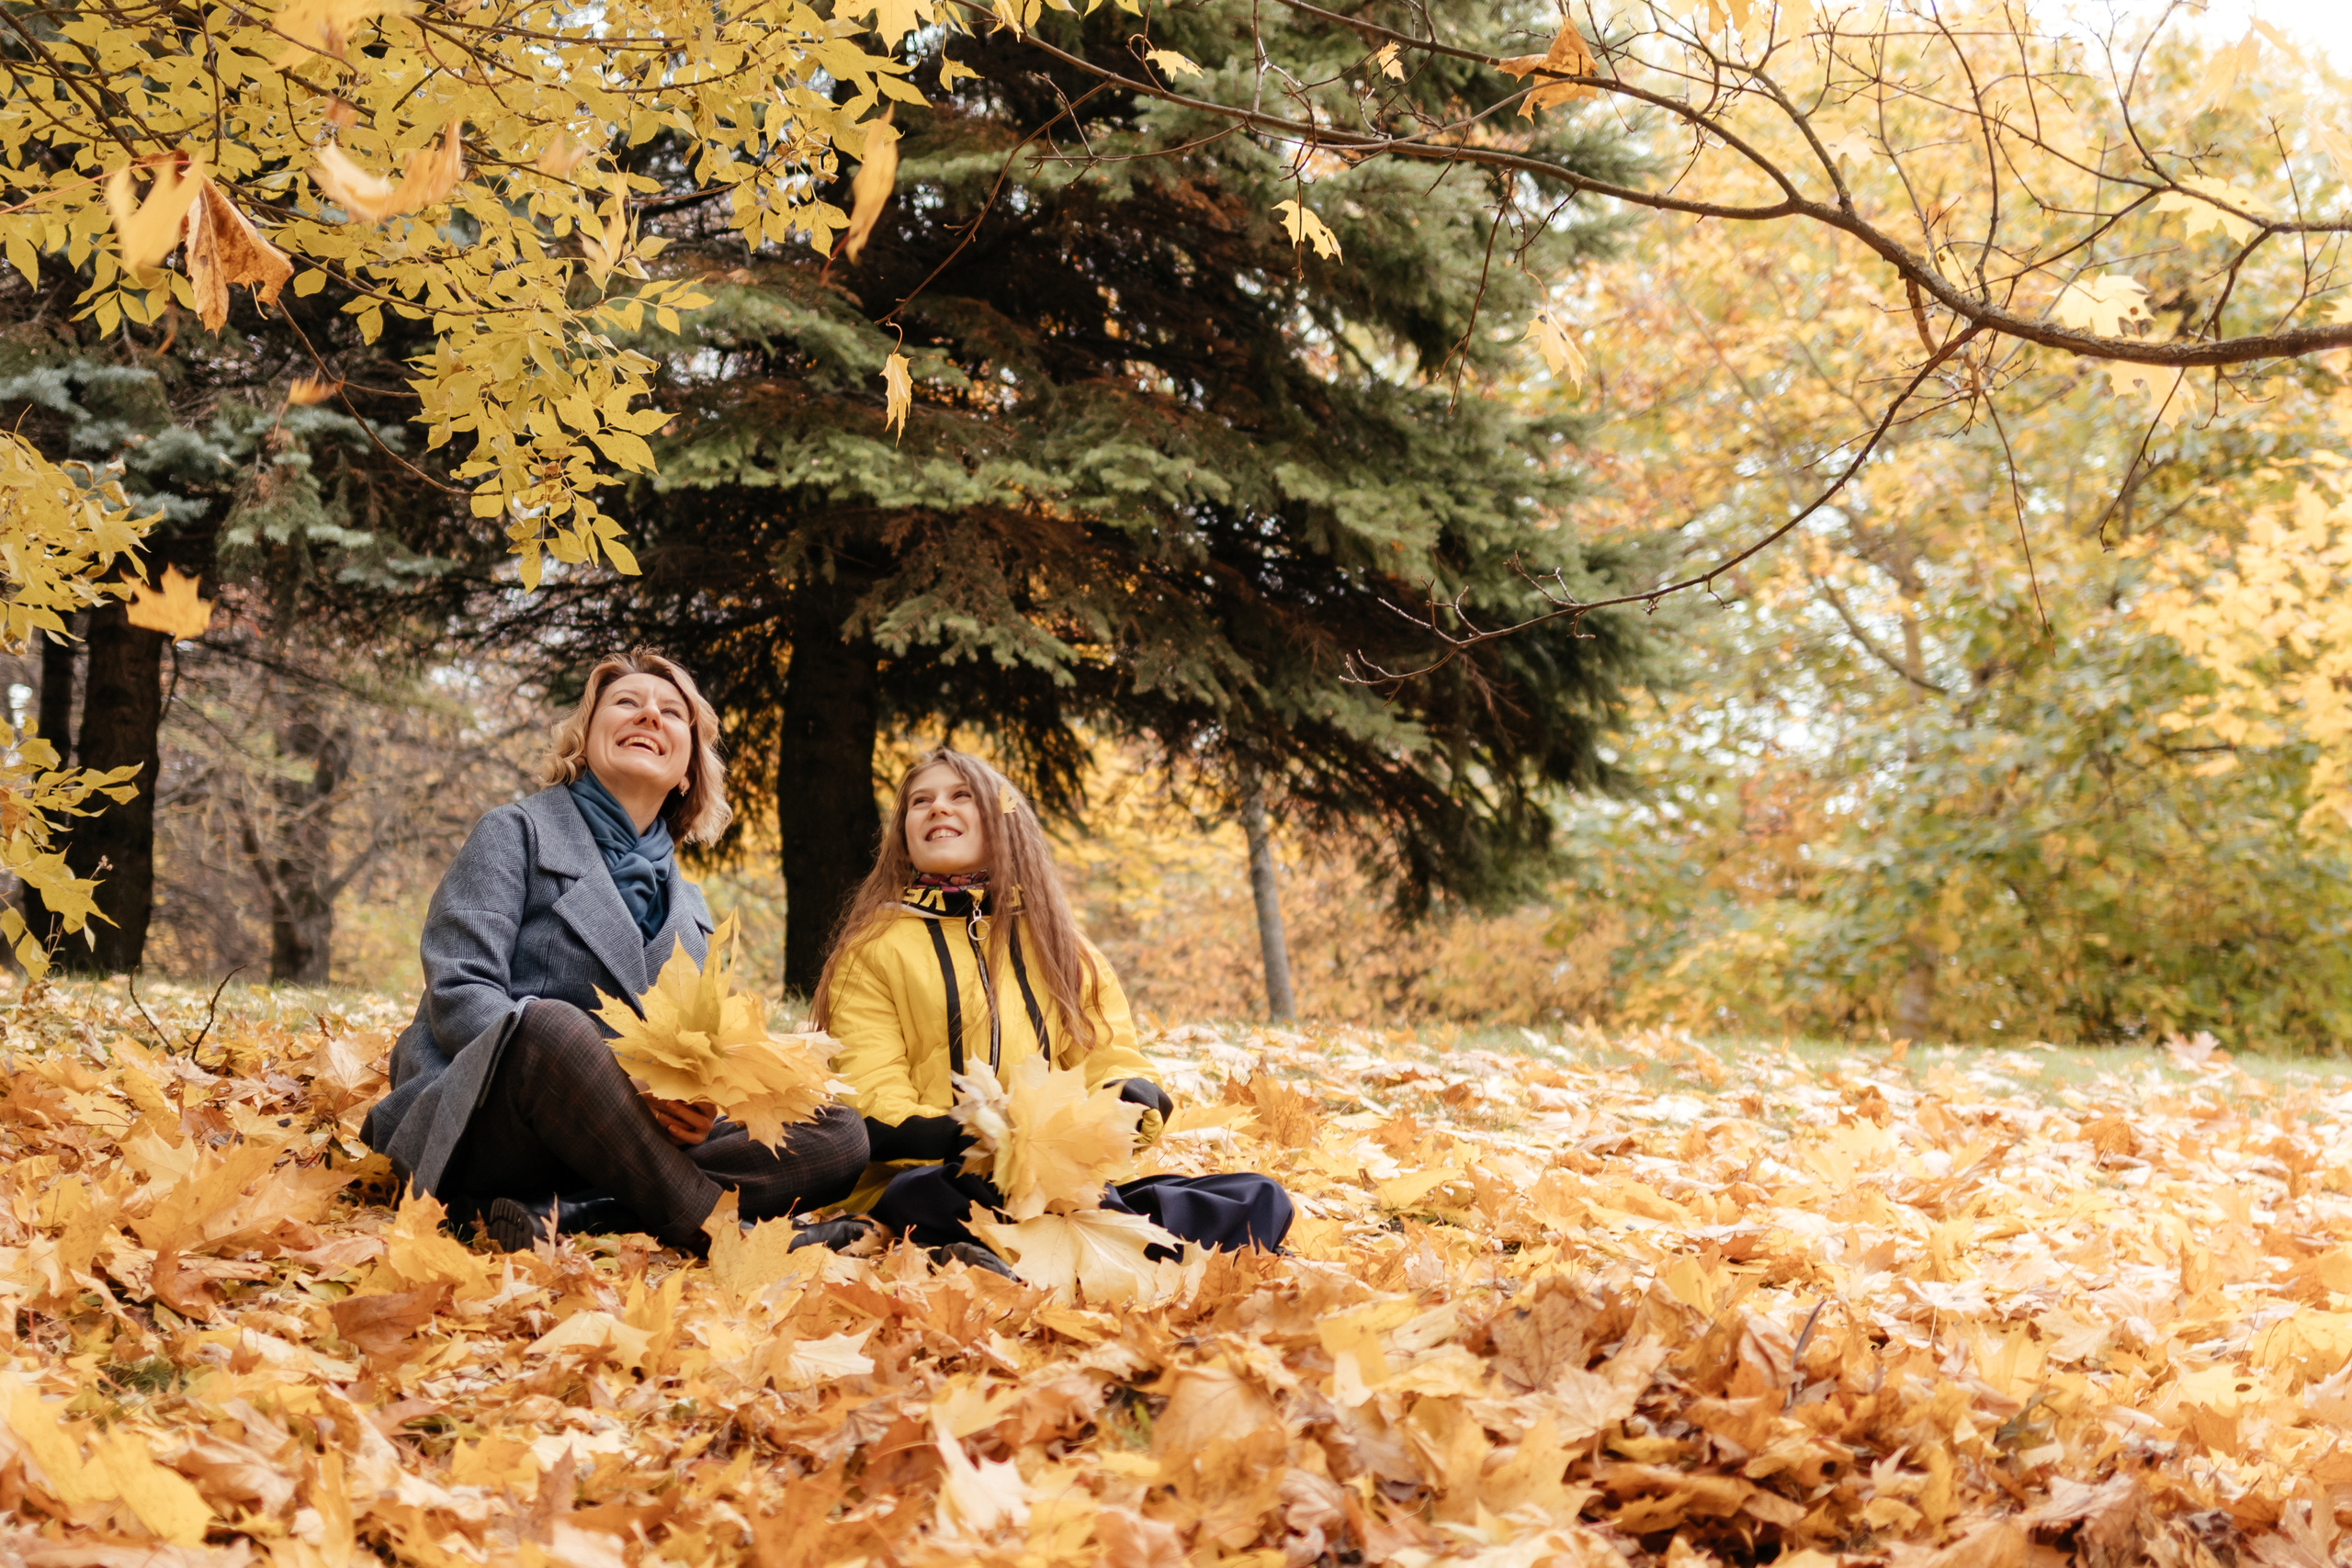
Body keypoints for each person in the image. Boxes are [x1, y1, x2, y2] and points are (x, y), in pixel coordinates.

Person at [359, 650, 869, 1254]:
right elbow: (460, 993)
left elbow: (692, 1056)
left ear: (687, 769)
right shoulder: (514, 832)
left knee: (839, 1129)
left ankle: (582, 1212)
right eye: (626, 703)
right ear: (584, 741)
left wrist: (697, 1103)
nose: (649, 714)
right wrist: (620, 1084)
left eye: (671, 712)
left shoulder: (692, 910)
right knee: (548, 1023)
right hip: (490, 1122)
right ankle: (720, 1234)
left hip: (619, 1148)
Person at [800, 748, 1291, 1273]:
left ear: (1002, 821)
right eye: (921, 801)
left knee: (1260, 1196)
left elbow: (1113, 1060)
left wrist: (1132, 1101)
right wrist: (979, 1135)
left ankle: (1009, 1251)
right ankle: (1083, 1249)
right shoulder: (873, 949)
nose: (938, 808)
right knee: (958, 1191)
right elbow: (870, 1103)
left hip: (1058, 1185)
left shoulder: (1061, 946)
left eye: (960, 795)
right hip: (929, 1179)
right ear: (903, 835)